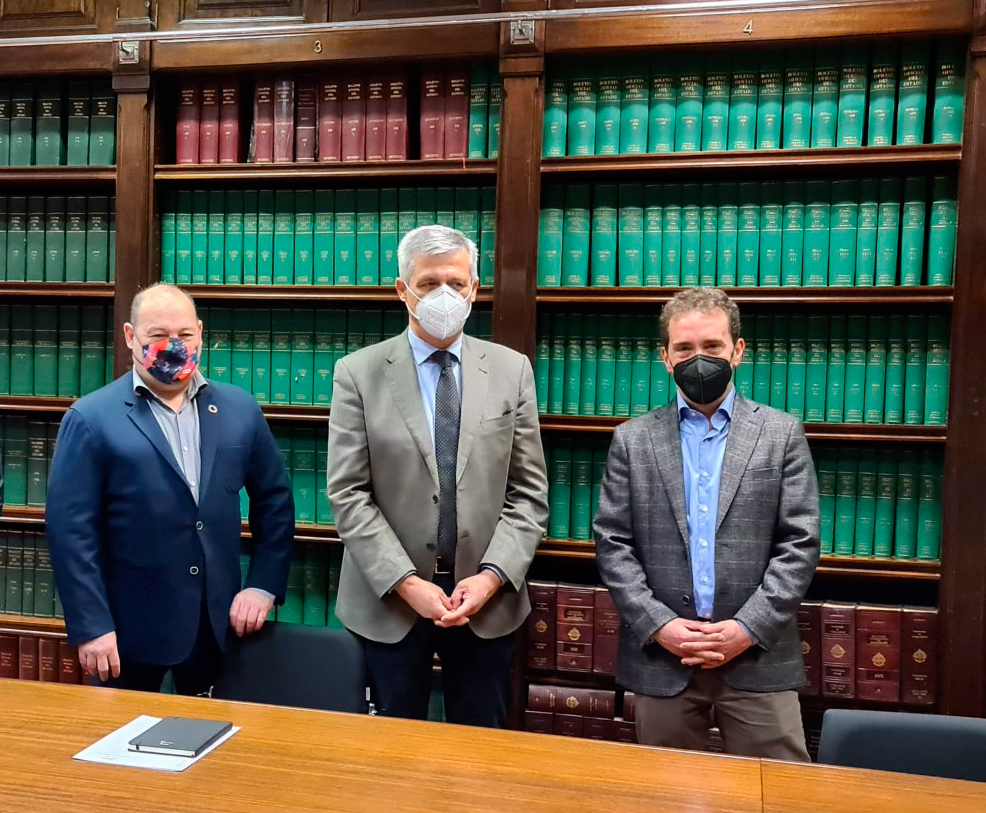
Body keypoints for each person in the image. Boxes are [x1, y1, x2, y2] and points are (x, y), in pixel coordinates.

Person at [328, 224, 548, 727]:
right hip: (389, 604)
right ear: (402, 289)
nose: (444, 294)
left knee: (480, 749)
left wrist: (491, 578)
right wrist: (407, 584)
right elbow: (348, 494)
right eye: (429, 283)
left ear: (475, 289)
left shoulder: (512, 370)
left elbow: (529, 494)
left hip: (487, 602)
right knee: (389, 750)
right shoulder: (357, 373)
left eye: (456, 282)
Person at [594, 287, 819, 761]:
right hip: (663, 659)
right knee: (666, 792)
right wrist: (660, 625)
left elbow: (799, 543)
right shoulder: (632, 440)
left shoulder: (780, 434)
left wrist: (746, 628)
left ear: (738, 350)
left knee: (779, 791)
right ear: (665, 358)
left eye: (712, 346)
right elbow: (613, 543)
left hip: (757, 658)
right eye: (685, 348)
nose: (699, 359)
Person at [47, 283, 294, 695]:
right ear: (131, 336)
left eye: (185, 334)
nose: (174, 345)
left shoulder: (240, 409)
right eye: (158, 335)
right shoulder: (90, 418)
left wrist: (262, 584)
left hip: (218, 628)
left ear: (201, 333)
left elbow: (275, 502)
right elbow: (70, 533)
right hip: (124, 635)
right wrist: (91, 625)